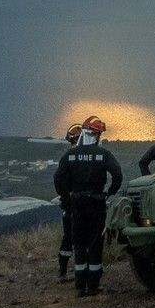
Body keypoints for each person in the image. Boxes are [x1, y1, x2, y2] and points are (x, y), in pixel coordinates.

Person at [52, 114, 122, 298]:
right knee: (95, 244)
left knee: (79, 245)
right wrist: (109, 192)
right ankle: (93, 285)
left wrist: (67, 198)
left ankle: (79, 286)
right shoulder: (103, 154)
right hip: (97, 205)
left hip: (76, 205)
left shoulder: (70, 155)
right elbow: (118, 175)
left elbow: (58, 179)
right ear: (96, 135)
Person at [56, 122, 82, 280]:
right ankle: (70, 272)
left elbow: (58, 180)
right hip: (75, 203)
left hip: (70, 203)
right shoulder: (75, 158)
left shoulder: (67, 157)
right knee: (74, 238)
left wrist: (65, 196)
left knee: (69, 238)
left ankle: (63, 271)